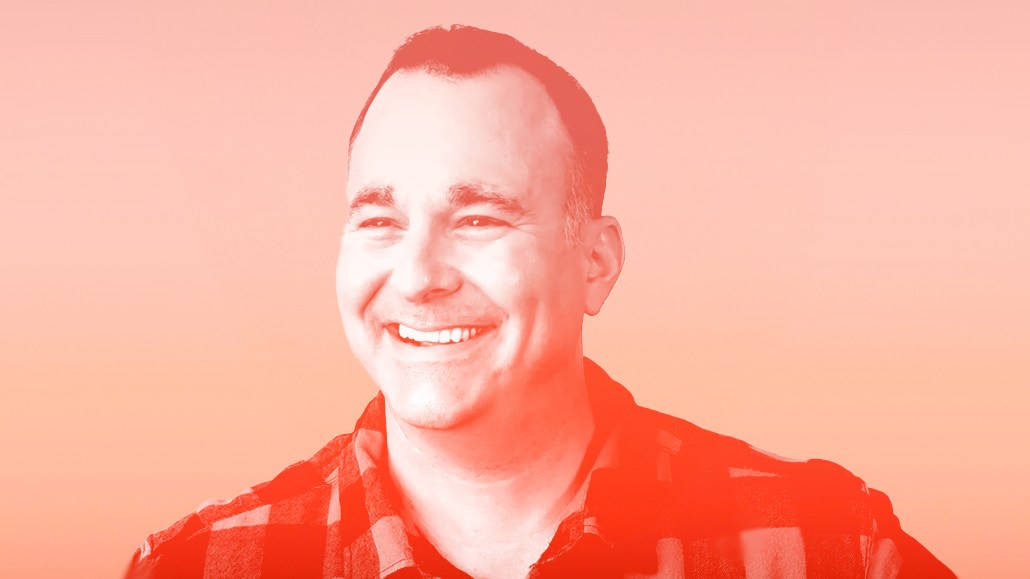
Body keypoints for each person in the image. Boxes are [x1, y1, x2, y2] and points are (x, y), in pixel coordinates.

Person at [126, 25, 954, 578]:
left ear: (596, 261)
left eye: (479, 217)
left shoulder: (828, 550)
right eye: (379, 220)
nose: (418, 275)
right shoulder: (196, 568)